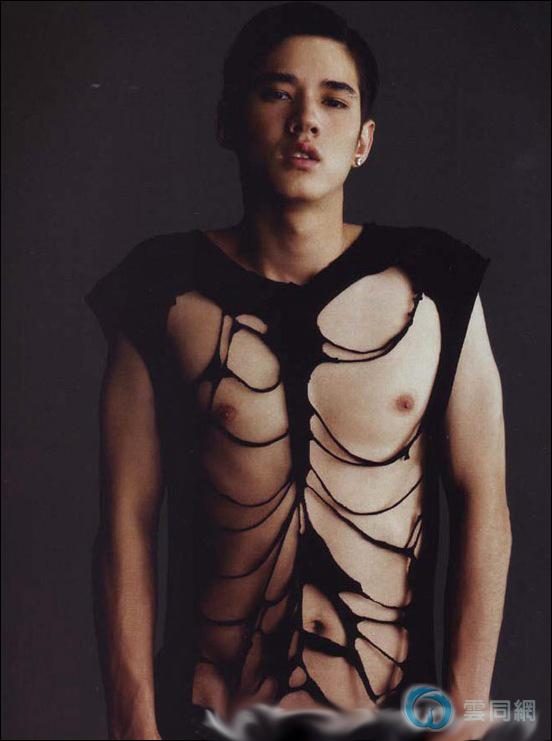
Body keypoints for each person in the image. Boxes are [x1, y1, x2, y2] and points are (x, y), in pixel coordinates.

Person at [85, 3, 512, 740]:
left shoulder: (439, 282)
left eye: (334, 100)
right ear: (227, 122)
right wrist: (133, 725)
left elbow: (485, 503)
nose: (306, 120)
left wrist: (468, 717)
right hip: (209, 718)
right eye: (277, 93)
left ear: (364, 141)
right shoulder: (160, 288)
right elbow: (125, 519)